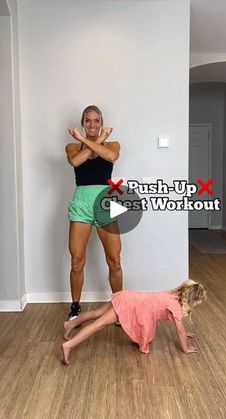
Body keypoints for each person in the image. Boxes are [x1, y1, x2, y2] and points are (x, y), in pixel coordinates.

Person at [61, 279, 207, 365]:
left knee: (97, 313)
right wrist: (186, 348)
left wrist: (184, 333)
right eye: (197, 304)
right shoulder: (175, 306)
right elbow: (179, 330)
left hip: (127, 297)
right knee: (99, 324)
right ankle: (68, 345)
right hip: (129, 305)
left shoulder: (173, 295)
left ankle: (70, 324)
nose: (197, 306)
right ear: (190, 300)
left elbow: (180, 328)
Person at [65, 105, 122, 320]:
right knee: (77, 260)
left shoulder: (113, 144)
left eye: (97, 121)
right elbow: (76, 161)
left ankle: (119, 306)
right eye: (88, 121)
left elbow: (110, 156)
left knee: (114, 259)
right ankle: (75, 307)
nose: (92, 125)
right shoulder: (72, 146)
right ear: (83, 123)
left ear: (101, 122)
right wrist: (95, 140)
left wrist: (91, 141)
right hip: (81, 203)